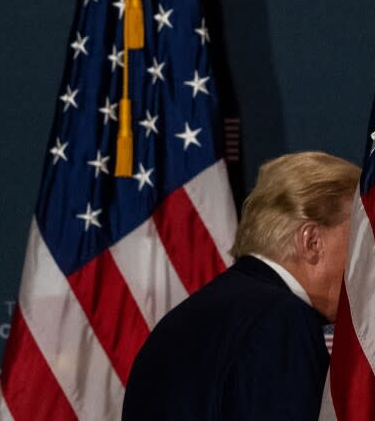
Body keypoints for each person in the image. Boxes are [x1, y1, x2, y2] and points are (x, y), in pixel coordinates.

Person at [122, 151, 360, 420]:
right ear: (311, 242)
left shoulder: (179, 322)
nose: (362, 262)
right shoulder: (281, 321)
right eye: (357, 240)